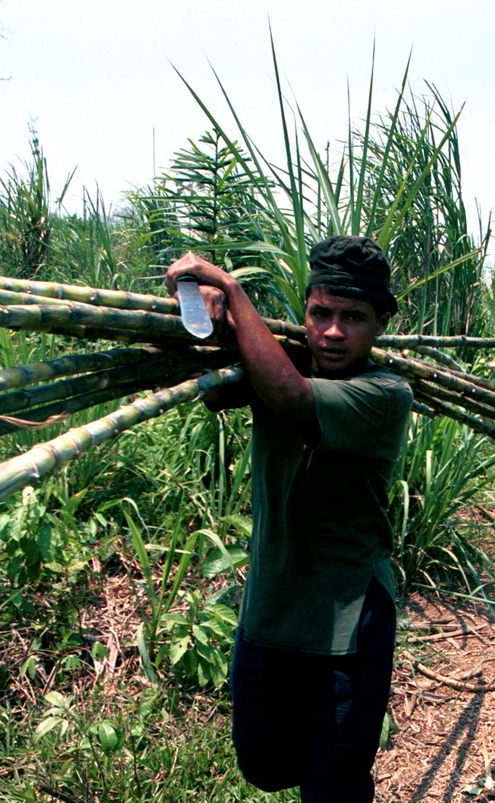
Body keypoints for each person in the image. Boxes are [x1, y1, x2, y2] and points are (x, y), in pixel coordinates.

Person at [166, 235, 412, 803]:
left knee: (334, 787)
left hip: (347, 626)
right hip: (272, 611)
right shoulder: (276, 361)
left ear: (380, 323)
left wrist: (230, 285)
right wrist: (208, 311)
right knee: (265, 765)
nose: (331, 331)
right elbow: (212, 387)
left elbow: (292, 397)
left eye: (353, 317)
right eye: (320, 313)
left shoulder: (385, 394)